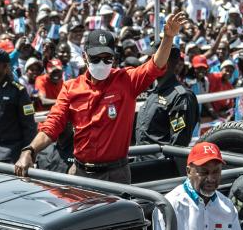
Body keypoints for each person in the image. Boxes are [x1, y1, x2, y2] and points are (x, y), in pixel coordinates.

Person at [14, 12, 188, 183]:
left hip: (117, 174)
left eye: (107, 58)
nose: (101, 63)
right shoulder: (70, 88)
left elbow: (155, 66)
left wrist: (168, 38)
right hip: (81, 173)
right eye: (96, 58)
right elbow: (53, 124)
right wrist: (30, 150)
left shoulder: (126, 80)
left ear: (114, 58)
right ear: (85, 57)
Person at [133, 46, 199, 150]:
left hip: (160, 159)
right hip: (140, 157)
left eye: (152, 59)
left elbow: (178, 142)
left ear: (166, 62)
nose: (147, 63)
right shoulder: (154, 91)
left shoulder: (180, 96)